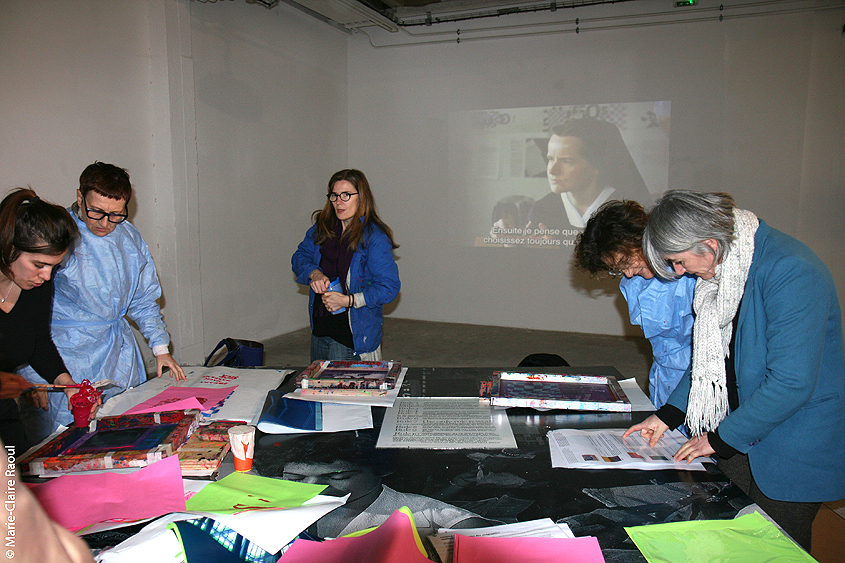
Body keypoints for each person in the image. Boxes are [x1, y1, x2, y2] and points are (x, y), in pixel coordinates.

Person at [623, 190, 845, 551]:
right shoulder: (727, 268)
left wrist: (718, 439)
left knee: (773, 550)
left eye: (679, 262)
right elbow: (711, 358)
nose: (679, 272)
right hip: (746, 433)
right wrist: (667, 415)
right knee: (730, 542)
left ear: (709, 244)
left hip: (792, 443)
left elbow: (791, 383)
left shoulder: (791, 270)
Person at [21, 162, 185, 441]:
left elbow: (143, 298)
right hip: (65, 355)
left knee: (126, 434)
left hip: (117, 355)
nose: (105, 223)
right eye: (96, 211)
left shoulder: (129, 238)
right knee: (66, 440)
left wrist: (160, 348)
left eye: (116, 215)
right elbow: (25, 314)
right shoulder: (59, 236)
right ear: (79, 196)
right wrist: (32, 377)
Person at [573, 200, 695, 409]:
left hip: (699, 382)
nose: (628, 273)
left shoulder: (689, 270)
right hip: (665, 380)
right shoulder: (633, 283)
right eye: (618, 269)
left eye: (626, 261)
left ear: (639, 238)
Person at [253, 433, 492, 538]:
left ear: (381, 471)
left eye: (337, 477)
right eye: (296, 478)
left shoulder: (431, 517)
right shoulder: (269, 502)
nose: (315, 488)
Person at [0, 188, 88, 453]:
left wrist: (66, 383)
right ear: (10, 248)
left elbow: (38, 341)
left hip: (3, 409)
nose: (47, 276)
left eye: (54, 266)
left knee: (16, 483)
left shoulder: (36, 286)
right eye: (39, 264)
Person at [292, 169, 400, 362]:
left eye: (346, 195)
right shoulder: (322, 228)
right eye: (334, 196)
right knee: (316, 391)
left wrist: (348, 301)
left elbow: (388, 288)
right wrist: (314, 273)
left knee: (341, 392)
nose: (338, 202)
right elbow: (300, 256)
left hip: (351, 337)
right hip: (320, 329)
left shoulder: (374, 237)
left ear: (362, 197)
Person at [527, 117, 652, 230]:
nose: (552, 170)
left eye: (566, 161)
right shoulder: (542, 209)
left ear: (596, 166)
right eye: (550, 159)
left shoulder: (628, 211)